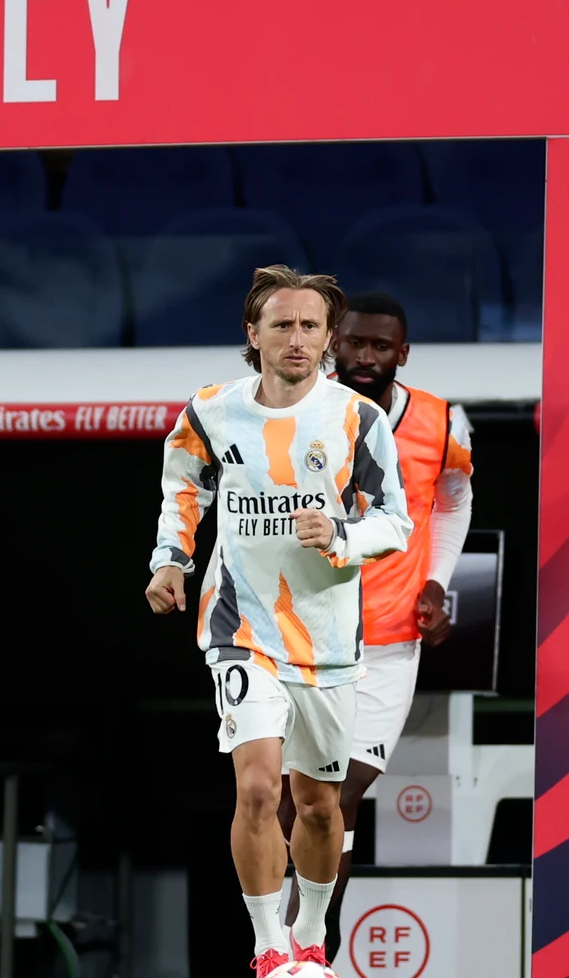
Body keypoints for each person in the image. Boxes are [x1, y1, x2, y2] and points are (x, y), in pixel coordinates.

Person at [145, 266, 413, 978]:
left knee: (319, 805)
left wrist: (342, 536)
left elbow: (396, 522)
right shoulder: (210, 410)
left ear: (328, 339)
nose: (298, 338)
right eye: (283, 324)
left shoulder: (359, 420)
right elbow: (183, 485)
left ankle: (311, 933)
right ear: (253, 333)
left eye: (311, 326)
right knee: (260, 787)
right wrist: (170, 560)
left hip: (326, 635)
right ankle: (269, 948)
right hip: (240, 625)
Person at [277, 292, 475, 960]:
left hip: (390, 640)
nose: (365, 357)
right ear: (334, 344)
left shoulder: (441, 421)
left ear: (403, 352)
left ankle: (307, 943)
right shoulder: (296, 412)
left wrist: (437, 582)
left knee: (341, 788)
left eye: (379, 346)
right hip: (305, 633)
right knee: (297, 794)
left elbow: (452, 498)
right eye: (353, 343)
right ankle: (288, 946)